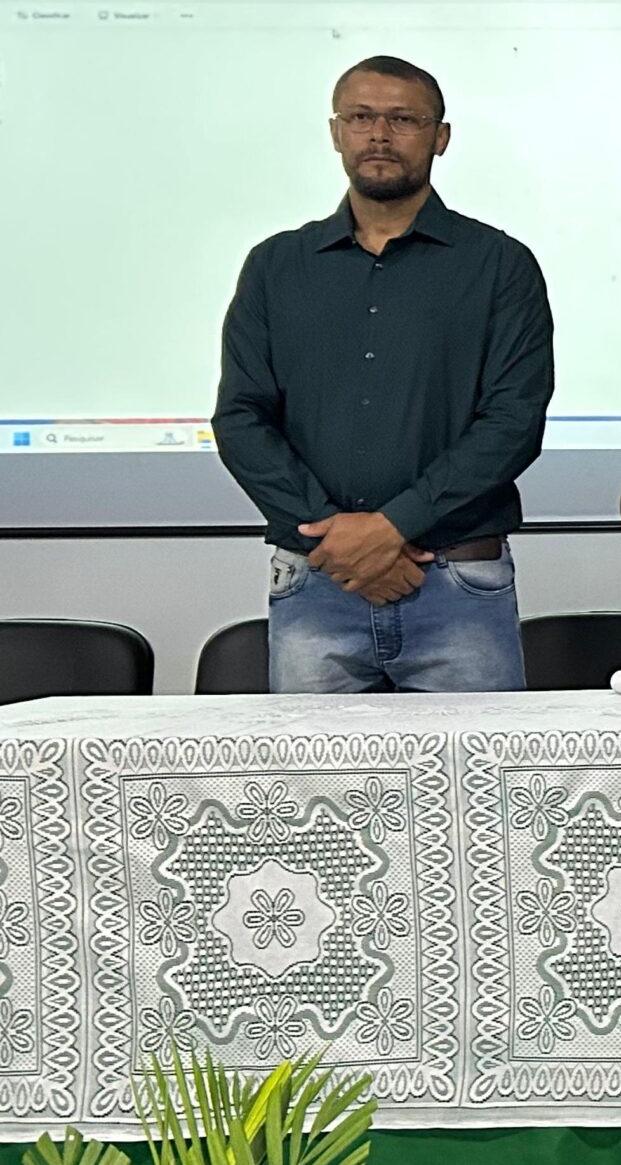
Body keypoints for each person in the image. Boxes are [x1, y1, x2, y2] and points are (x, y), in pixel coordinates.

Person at [214, 55, 554, 692]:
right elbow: (240, 418)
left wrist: (391, 527)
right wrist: (341, 544)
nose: (379, 134)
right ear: (335, 132)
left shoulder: (500, 265)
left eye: (403, 119)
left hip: (458, 582)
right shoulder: (275, 266)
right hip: (317, 582)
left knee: (478, 763)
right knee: (311, 764)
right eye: (361, 117)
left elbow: (513, 422)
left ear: (440, 137)